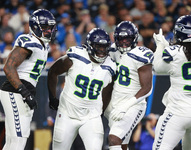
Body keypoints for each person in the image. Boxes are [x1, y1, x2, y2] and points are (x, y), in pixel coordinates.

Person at [47, 28, 116, 150]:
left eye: (104, 47)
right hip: (67, 113)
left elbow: (107, 92)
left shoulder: (111, 66)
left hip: (91, 116)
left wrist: (99, 112)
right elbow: (52, 72)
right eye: (98, 46)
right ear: (89, 46)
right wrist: (53, 98)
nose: (101, 50)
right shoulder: (75, 57)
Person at [0, 9, 57, 150]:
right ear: (35, 27)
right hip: (15, 91)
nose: (48, 31)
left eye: (50, 27)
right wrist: (24, 92)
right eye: (44, 27)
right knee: (18, 139)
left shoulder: (44, 46)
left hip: (25, 91)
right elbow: (8, 67)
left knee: (15, 140)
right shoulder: (29, 41)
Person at [152, 15, 191, 150]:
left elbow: (157, 68)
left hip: (178, 113)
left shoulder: (173, 53)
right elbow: (188, 54)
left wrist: (160, 46)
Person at [104, 21, 154, 150]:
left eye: (128, 39)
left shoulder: (142, 55)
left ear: (135, 38)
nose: (124, 42)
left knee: (114, 139)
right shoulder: (113, 50)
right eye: (121, 38)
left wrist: (126, 106)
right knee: (122, 144)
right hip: (115, 102)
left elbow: (147, 88)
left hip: (133, 105)